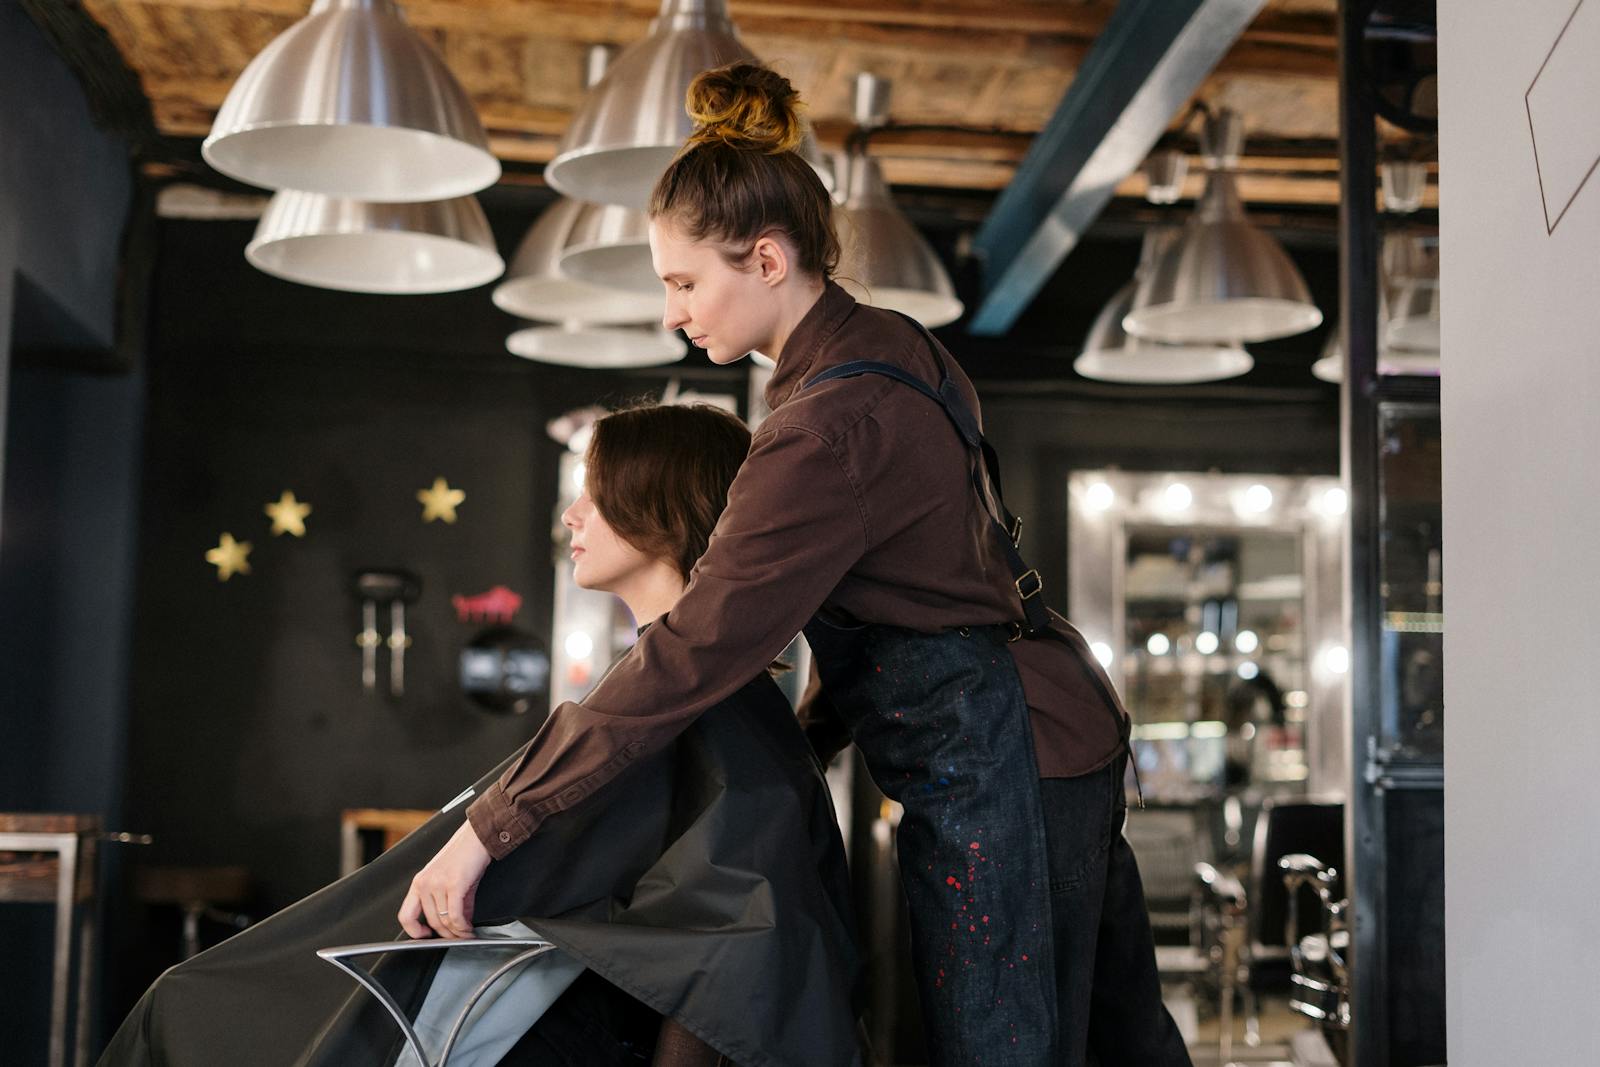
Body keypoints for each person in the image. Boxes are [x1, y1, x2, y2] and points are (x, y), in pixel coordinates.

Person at [404, 63, 1191, 1066]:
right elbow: (907, 602)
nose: (673, 312)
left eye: (685, 282)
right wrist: (793, 743)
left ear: (767, 258)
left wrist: (491, 824)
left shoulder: (829, 426)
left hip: (1009, 762)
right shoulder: (893, 351)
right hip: (1052, 736)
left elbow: (695, 645)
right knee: (1122, 1047)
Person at [100, 403, 862, 1067]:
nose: (571, 515)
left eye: (593, 495)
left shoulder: (693, 712)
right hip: (549, 1002)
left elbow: (728, 953)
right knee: (190, 1001)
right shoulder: (676, 700)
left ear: (657, 504)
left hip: (569, 1022)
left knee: (185, 1008)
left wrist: (478, 845)